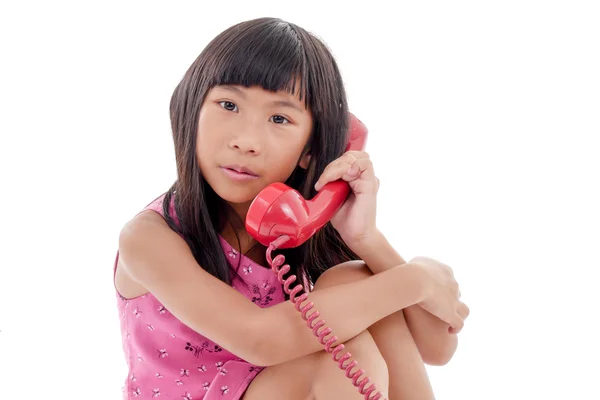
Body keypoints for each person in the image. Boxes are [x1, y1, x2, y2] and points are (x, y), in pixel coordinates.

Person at [114, 17, 469, 400]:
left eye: (279, 118)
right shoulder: (150, 238)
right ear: (191, 111)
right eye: (228, 104)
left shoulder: (298, 231)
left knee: (354, 280)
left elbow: (437, 349)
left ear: (312, 150)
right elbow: (260, 339)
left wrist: (367, 240)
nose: (246, 140)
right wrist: (416, 279)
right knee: (333, 358)